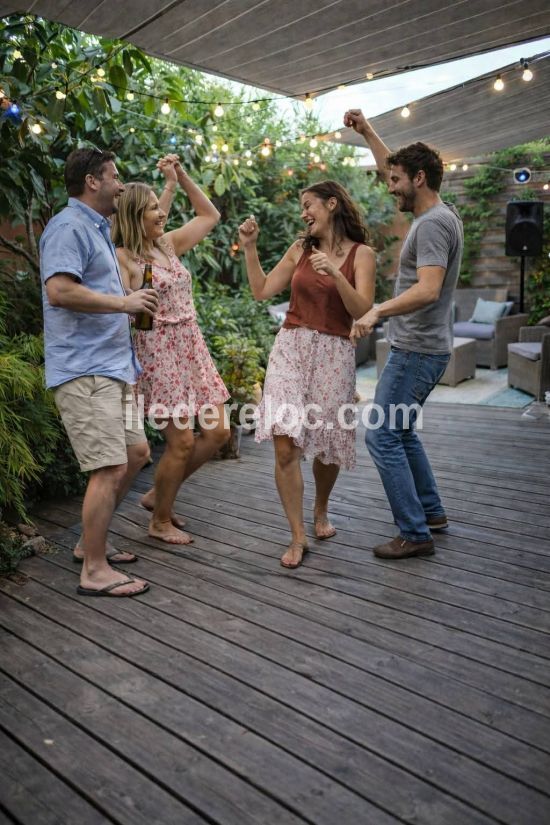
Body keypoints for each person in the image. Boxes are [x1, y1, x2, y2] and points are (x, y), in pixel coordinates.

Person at [344, 108, 464, 559]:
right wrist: (367, 130)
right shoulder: (441, 213)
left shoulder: (432, 225)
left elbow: (428, 289)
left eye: (395, 180)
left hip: (417, 349)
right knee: (403, 432)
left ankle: (414, 534)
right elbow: (388, 164)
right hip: (424, 347)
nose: (388, 186)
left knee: (381, 435)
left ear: (418, 178)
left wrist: (377, 311)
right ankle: (431, 512)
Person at [40, 147, 160, 597]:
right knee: (108, 467)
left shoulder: (96, 230)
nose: (121, 184)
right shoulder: (68, 227)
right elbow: (59, 291)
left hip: (112, 368)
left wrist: (129, 303)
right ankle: (93, 570)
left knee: (134, 454)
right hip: (85, 369)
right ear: (93, 181)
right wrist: (124, 303)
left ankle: (89, 546)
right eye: (114, 176)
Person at [239, 181, 376, 569]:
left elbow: (361, 308)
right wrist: (250, 248)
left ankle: (320, 507)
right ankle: (298, 536)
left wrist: (335, 271)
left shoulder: (362, 255)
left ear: (332, 205)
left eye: (308, 205)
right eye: (302, 207)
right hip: (291, 348)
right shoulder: (301, 249)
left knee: (328, 446)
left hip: (334, 353)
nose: (303, 213)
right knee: (286, 444)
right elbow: (262, 290)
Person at [113, 155, 230, 545]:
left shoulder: (168, 244)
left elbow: (209, 214)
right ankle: (160, 520)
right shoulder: (124, 258)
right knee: (179, 443)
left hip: (191, 346)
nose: (160, 213)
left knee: (217, 432)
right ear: (135, 215)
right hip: (158, 351)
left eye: (158, 207)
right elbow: (123, 308)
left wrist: (178, 177)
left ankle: (157, 494)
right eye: (151, 209)